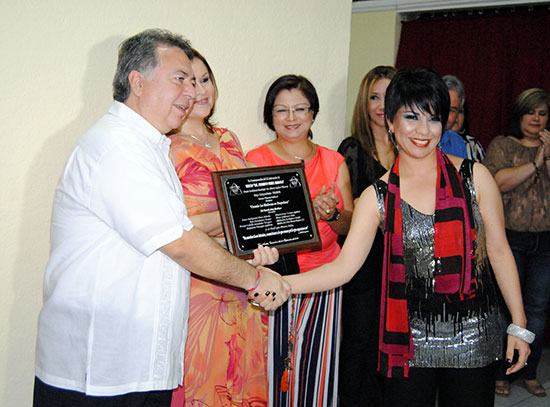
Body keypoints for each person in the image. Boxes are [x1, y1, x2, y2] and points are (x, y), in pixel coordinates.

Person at [33, 29, 290, 407]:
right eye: (179, 79)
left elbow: (174, 238)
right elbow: (181, 244)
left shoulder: (150, 146)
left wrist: (243, 253)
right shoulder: (117, 147)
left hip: (138, 366)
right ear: (137, 81)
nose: (191, 92)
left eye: (194, 80)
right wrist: (255, 279)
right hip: (99, 371)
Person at [283, 68, 532, 407]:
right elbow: (344, 268)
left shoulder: (475, 177)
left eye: (433, 118)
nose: (422, 130)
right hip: (407, 342)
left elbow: (499, 252)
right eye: (411, 117)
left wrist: (519, 324)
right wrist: (283, 284)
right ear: (390, 122)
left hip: (473, 335)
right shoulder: (377, 196)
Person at [167, 49, 274, 406]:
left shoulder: (229, 138)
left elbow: (253, 208)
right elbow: (180, 226)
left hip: (244, 282)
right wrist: (238, 217)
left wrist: (262, 240)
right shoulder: (165, 145)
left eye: (205, 79)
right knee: (204, 380)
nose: (199, 90)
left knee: (244, 379)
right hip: (200, 284)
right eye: (188, 81)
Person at [246, 74, 354, 407]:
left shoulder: (334, 162)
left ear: (312, 114)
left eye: (300, 109)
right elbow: (250, 226)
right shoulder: (255, 160)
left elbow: (348, 225)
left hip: (323, 278)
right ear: (270, 116)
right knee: (270, 367)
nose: (291, 118)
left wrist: (332, 214)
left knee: (317, 370)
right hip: (274, 277)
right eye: (282, 110)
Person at [483, 88, 550, 398]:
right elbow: (497, 182)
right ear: (519, 115)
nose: (536, 119)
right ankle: (502, 372)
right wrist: (536, 162)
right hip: (509, 239)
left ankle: (529, 371)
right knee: (507, 307)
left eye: (542, 113)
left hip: (545, 241)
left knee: (537, 308)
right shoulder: (503, 145)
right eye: (530, 112)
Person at [336, 65, 396, 407]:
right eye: (374, 97)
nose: (381, 105)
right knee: (359, 345)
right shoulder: (352, 148)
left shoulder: (410, 147)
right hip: (364, 263)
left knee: (392, 347)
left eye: (388, 96)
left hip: (401, 261)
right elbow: (354, 210)